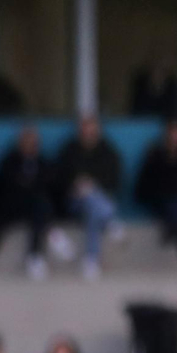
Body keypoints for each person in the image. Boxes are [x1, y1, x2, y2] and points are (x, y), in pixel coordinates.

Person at [54, 115, 122, 281]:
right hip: (73, 202)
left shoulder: (107, 151)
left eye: (91, 129)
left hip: (96, 203)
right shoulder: (69, 151)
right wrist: (75, 186)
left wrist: (93, 185)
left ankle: (91, 260)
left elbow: (115, 180)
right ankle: (109, 220)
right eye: (85, 129)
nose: (88, 133)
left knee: (93, 207)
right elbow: (58, 179)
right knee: (88, 195)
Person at [0, 125, 60, 280]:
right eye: (26, 141)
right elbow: (4, 185)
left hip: (35, 208)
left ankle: (35, 255)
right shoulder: (9, 162)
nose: (29, 145)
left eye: (33, 142)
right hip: (13, 207)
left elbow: (51, 185)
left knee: (41, 205)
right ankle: (52, 233)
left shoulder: (43, 162)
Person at [133, 119, 177, 275]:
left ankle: (171, 230)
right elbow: (144, 188)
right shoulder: (155, 157)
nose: (175, 141)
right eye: (172, 137)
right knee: (176, 211)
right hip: (163, 203)